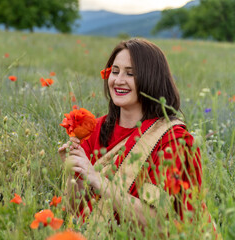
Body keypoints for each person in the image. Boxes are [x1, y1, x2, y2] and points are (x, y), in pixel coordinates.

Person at [58, 38, 209, 233]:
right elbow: (73, 213)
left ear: (151, 78)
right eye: (115, 71)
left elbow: (158, 222)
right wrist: (75, 173)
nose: (118, 80)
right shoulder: (94, 129)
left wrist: (96, 179)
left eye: (130, 74)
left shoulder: (173, 139)